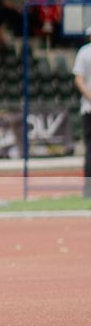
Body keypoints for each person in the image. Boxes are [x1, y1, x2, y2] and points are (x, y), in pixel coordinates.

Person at [73, 27, 91, 200]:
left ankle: (88, 189)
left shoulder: (84, 52)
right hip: (88, 107)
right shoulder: (85, 52)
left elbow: (79, 80)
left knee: (90, 150)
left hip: (88, 107)